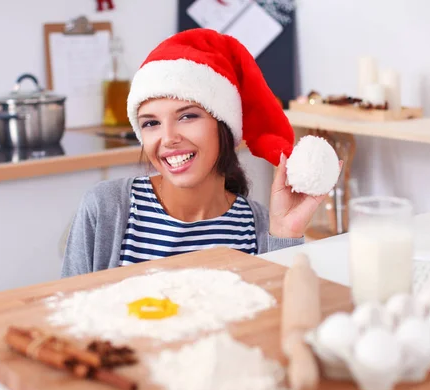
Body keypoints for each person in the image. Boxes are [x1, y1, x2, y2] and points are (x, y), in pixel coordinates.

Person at [61, 28, 338, 277]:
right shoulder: (106, 207)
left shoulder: (261, 227)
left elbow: (275, 325)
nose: (168, 138)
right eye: (151, 123)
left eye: (187, 117)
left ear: (224, 127)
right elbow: (64, 315)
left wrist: (285, 235)